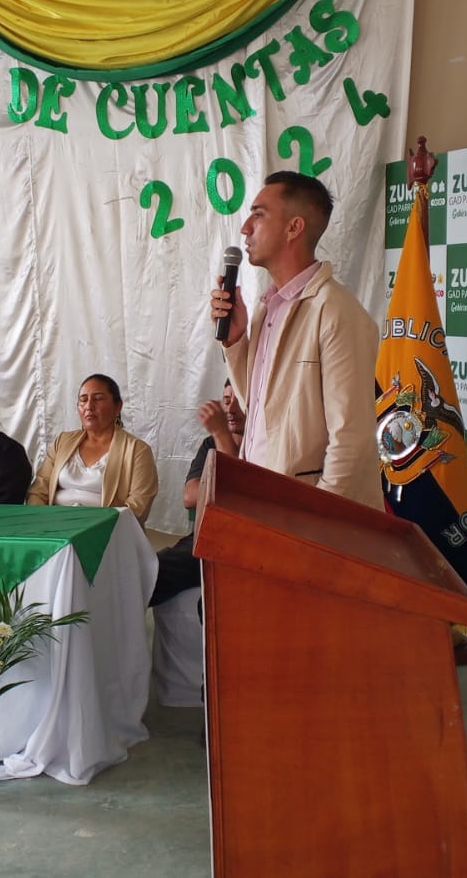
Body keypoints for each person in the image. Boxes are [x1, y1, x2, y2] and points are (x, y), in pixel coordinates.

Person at [208, 171, 384, 511]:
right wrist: (235, 341)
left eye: (258, 214)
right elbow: (260, 411)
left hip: (304, 516)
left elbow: (351, 440)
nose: (245, 228)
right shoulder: (267, 309)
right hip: (264, 501)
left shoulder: (336, 311)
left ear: (294, 228)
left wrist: (313, 518)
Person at [150, 380, 245, 607]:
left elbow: (240, 496)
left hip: (245, 542)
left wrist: (221, 433)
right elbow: (190, 496)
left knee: (213, 605)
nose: (230, 409)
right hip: (207, 536)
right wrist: (223, 487)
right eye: (226, 401)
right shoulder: (210, 444)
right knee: (150, 574)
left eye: (239, 401)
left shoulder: (265, 444)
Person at [27, 374, 159, 525]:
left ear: (118, 407)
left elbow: (137, 508)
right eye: (83, 400)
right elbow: (38, 491)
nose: (89, 406)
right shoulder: (62, 442)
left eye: (98, 399)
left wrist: (91, 528)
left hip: (105, 532)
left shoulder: (137, 450)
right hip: (54, 527)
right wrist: (43, 521)